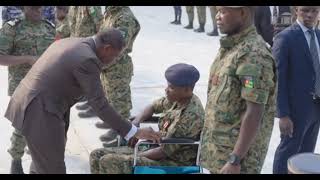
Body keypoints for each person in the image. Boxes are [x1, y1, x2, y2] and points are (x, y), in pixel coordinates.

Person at [4, 28, 161, 174]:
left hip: (40, 103)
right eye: (115, 56)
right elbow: (99, 103)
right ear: (106, 48)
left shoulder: (74, 42)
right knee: (53, 168)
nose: (114, 61)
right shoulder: (87, 59)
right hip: (40, 110)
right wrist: (133, 131)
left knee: (45, 160)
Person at [199, 6, 276, 174]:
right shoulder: (232, 47)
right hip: (219, 153)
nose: (217, 17)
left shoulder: (253, 55)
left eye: (223, 12)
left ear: (242, 13)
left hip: (237, 162)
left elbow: (254, 112)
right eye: (217, 11)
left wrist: (235, 159)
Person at [89, 63, 205, 174]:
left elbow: (163, 152)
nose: (166, 90)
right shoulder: (178, 99)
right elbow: (153, 106)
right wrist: (136, 123)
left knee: (109, 161)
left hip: (172, 162)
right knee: (96, 155)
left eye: (171, 87)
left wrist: (133, 156)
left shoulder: (190, 116)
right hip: (155, 148)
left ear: (187, 90)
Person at [0, 6, 56, 174]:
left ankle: (36, 161)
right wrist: (27, 59)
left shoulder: (49, 27)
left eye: (40, 8)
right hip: (22, 84)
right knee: (24, 124)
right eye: (33, 8)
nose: (37, 11)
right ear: (24, 8)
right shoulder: (12, 28)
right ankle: (16, 160)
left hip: (46, 84)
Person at [272, 6, 320, 174]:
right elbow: (278, 79)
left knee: (306, 154)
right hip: (294, 110)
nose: (310, 15)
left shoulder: (319, 36)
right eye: (305, 10)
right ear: (295, 12)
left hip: (315, 107)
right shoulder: (285, 38)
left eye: (314, 11)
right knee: (288, 151)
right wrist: (283, 114)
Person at [93, 6, 140, 147]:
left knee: (120, 103)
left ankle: (123, 138)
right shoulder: (111, 13)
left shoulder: (124, 18)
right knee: (111, 100)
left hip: (117, 66)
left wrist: (99, 65)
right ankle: (115, 128)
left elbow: (119, 47)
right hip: (108, 64)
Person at [68, 6, 103, 117]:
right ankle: (88, 98)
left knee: (93, 77)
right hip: (80, 44)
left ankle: (95, 105)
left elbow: (99, 25)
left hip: (90, 46)